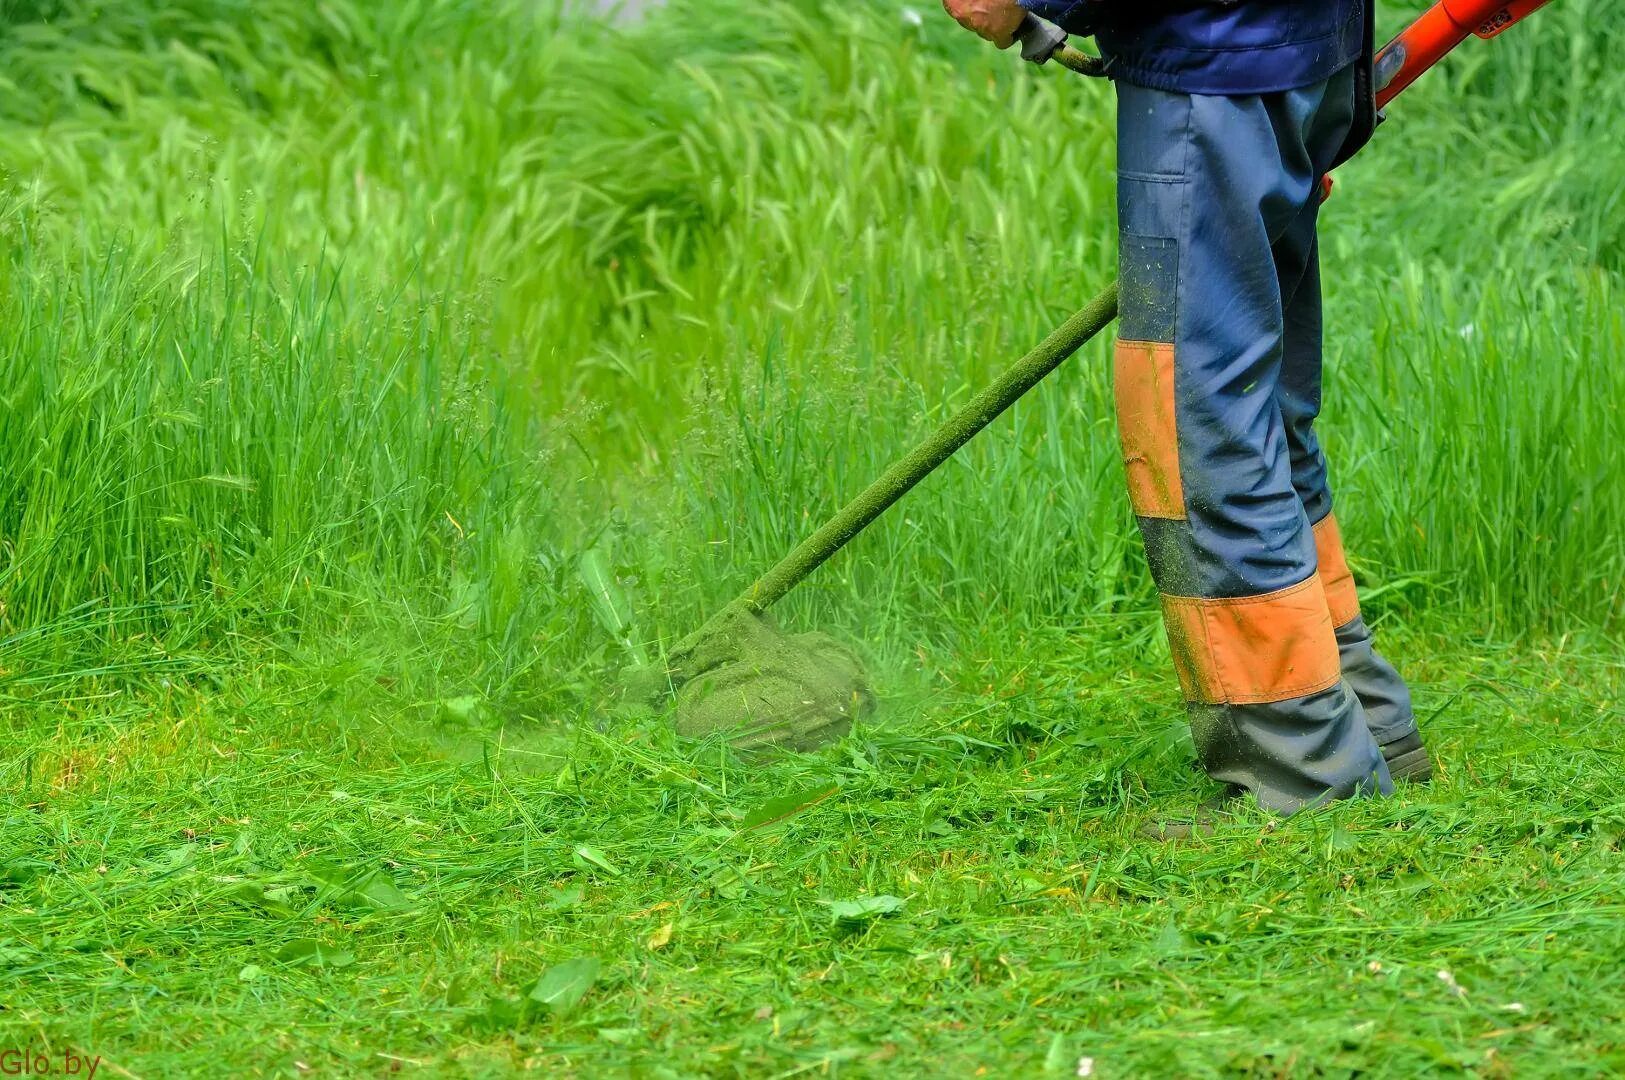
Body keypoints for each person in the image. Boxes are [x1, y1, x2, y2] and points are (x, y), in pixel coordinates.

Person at [940, 0, 1431, 831]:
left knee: (1197, 424)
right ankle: (1356, 709)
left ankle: (1303, 773)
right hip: (1295, 53)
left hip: (1216, 63)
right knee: (1260, 409)